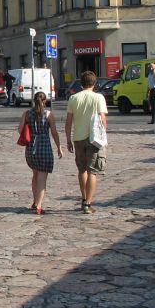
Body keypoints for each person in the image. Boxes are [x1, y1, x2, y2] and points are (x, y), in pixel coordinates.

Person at [65, 70, 108, 214]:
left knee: (82, 170)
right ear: (94, 83)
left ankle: (83, 199)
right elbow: (102, 119)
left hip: (78, 138)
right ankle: (88, 204)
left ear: (81, 83)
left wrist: (68, 140)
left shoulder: (73, 98)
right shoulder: (98, 98)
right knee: (92, 171)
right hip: (94, 138)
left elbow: (68, 122)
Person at [19, 91, 62, 215]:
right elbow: (54, 133)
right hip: (44, 147)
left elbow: (19, 129)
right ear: (45, 101)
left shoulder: (27, 114)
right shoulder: (48, 114)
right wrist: (59, 147)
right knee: (42, 178)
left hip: (31, 148)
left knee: (35, 175)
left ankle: (34, 201)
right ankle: (39, 205)